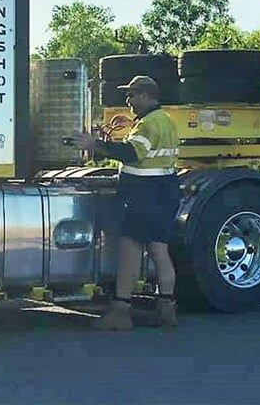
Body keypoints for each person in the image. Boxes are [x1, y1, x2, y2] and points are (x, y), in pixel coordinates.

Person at [77, 75, 181, 330]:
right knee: (159, 250)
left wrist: (95, 144)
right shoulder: (165, 120)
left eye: (132, 95)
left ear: (147, 96)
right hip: (164, 191)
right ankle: (167, 310)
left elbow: (132, 154)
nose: (128, 100)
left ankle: (121, 313)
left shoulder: (147, 124)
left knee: (130, 251)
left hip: (143, 195)